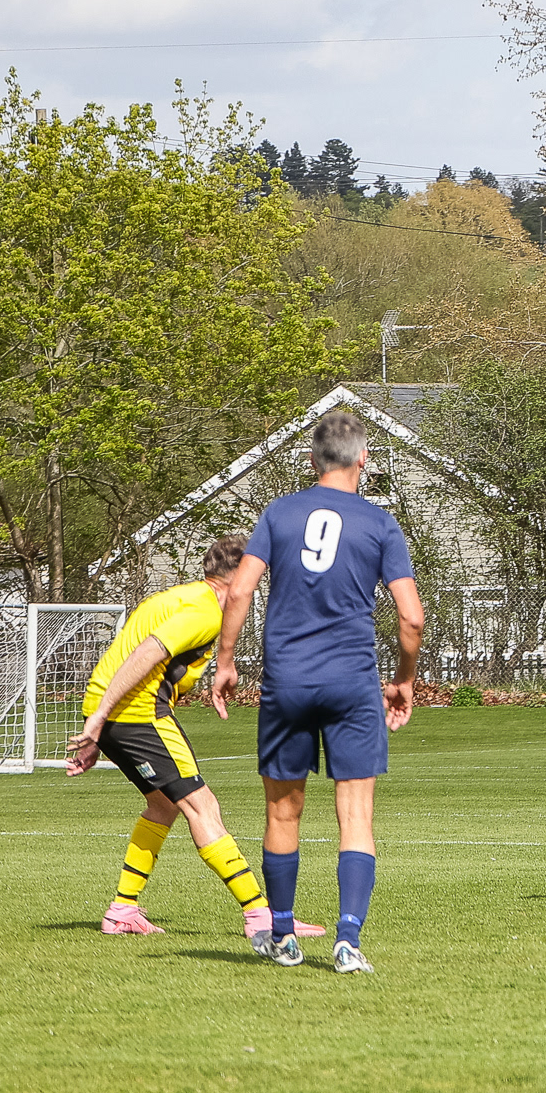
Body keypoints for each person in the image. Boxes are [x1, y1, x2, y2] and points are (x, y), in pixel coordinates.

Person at [213, 411, 423, 973]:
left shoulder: (279, 513)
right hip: (353, 684)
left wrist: (225, 663)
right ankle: (347, 941)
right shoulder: (379, 523)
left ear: (312, 461)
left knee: (284, 812)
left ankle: (283, 936)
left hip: (288, 682)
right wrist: (403, 679)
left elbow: (239, 592)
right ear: (363, 460)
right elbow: (411, 617)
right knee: (355, 815)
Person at [65, 536, 320, 942]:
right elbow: (146, 653)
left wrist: (101, 722)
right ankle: (260, 916)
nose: (254, 591)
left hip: (118, 712)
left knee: (163, 806)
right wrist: (101, 720)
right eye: (253, 579)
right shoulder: (205, 612)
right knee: (203, 807)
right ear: (237, 579)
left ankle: (122, 910)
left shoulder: (183, 597)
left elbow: (132, 654)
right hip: (138, 714)